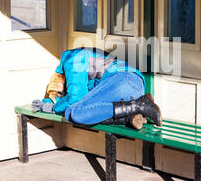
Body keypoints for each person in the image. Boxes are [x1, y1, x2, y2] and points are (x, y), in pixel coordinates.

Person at [32, 48, 162, 128]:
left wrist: (55, 108)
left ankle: (138, 106)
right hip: (133, 85)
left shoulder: (71, 59)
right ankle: (130, 115)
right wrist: (48, 102)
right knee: (85, 112)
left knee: (76, 112)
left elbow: (75, 97)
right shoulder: (82, 57)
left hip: (123, 79)